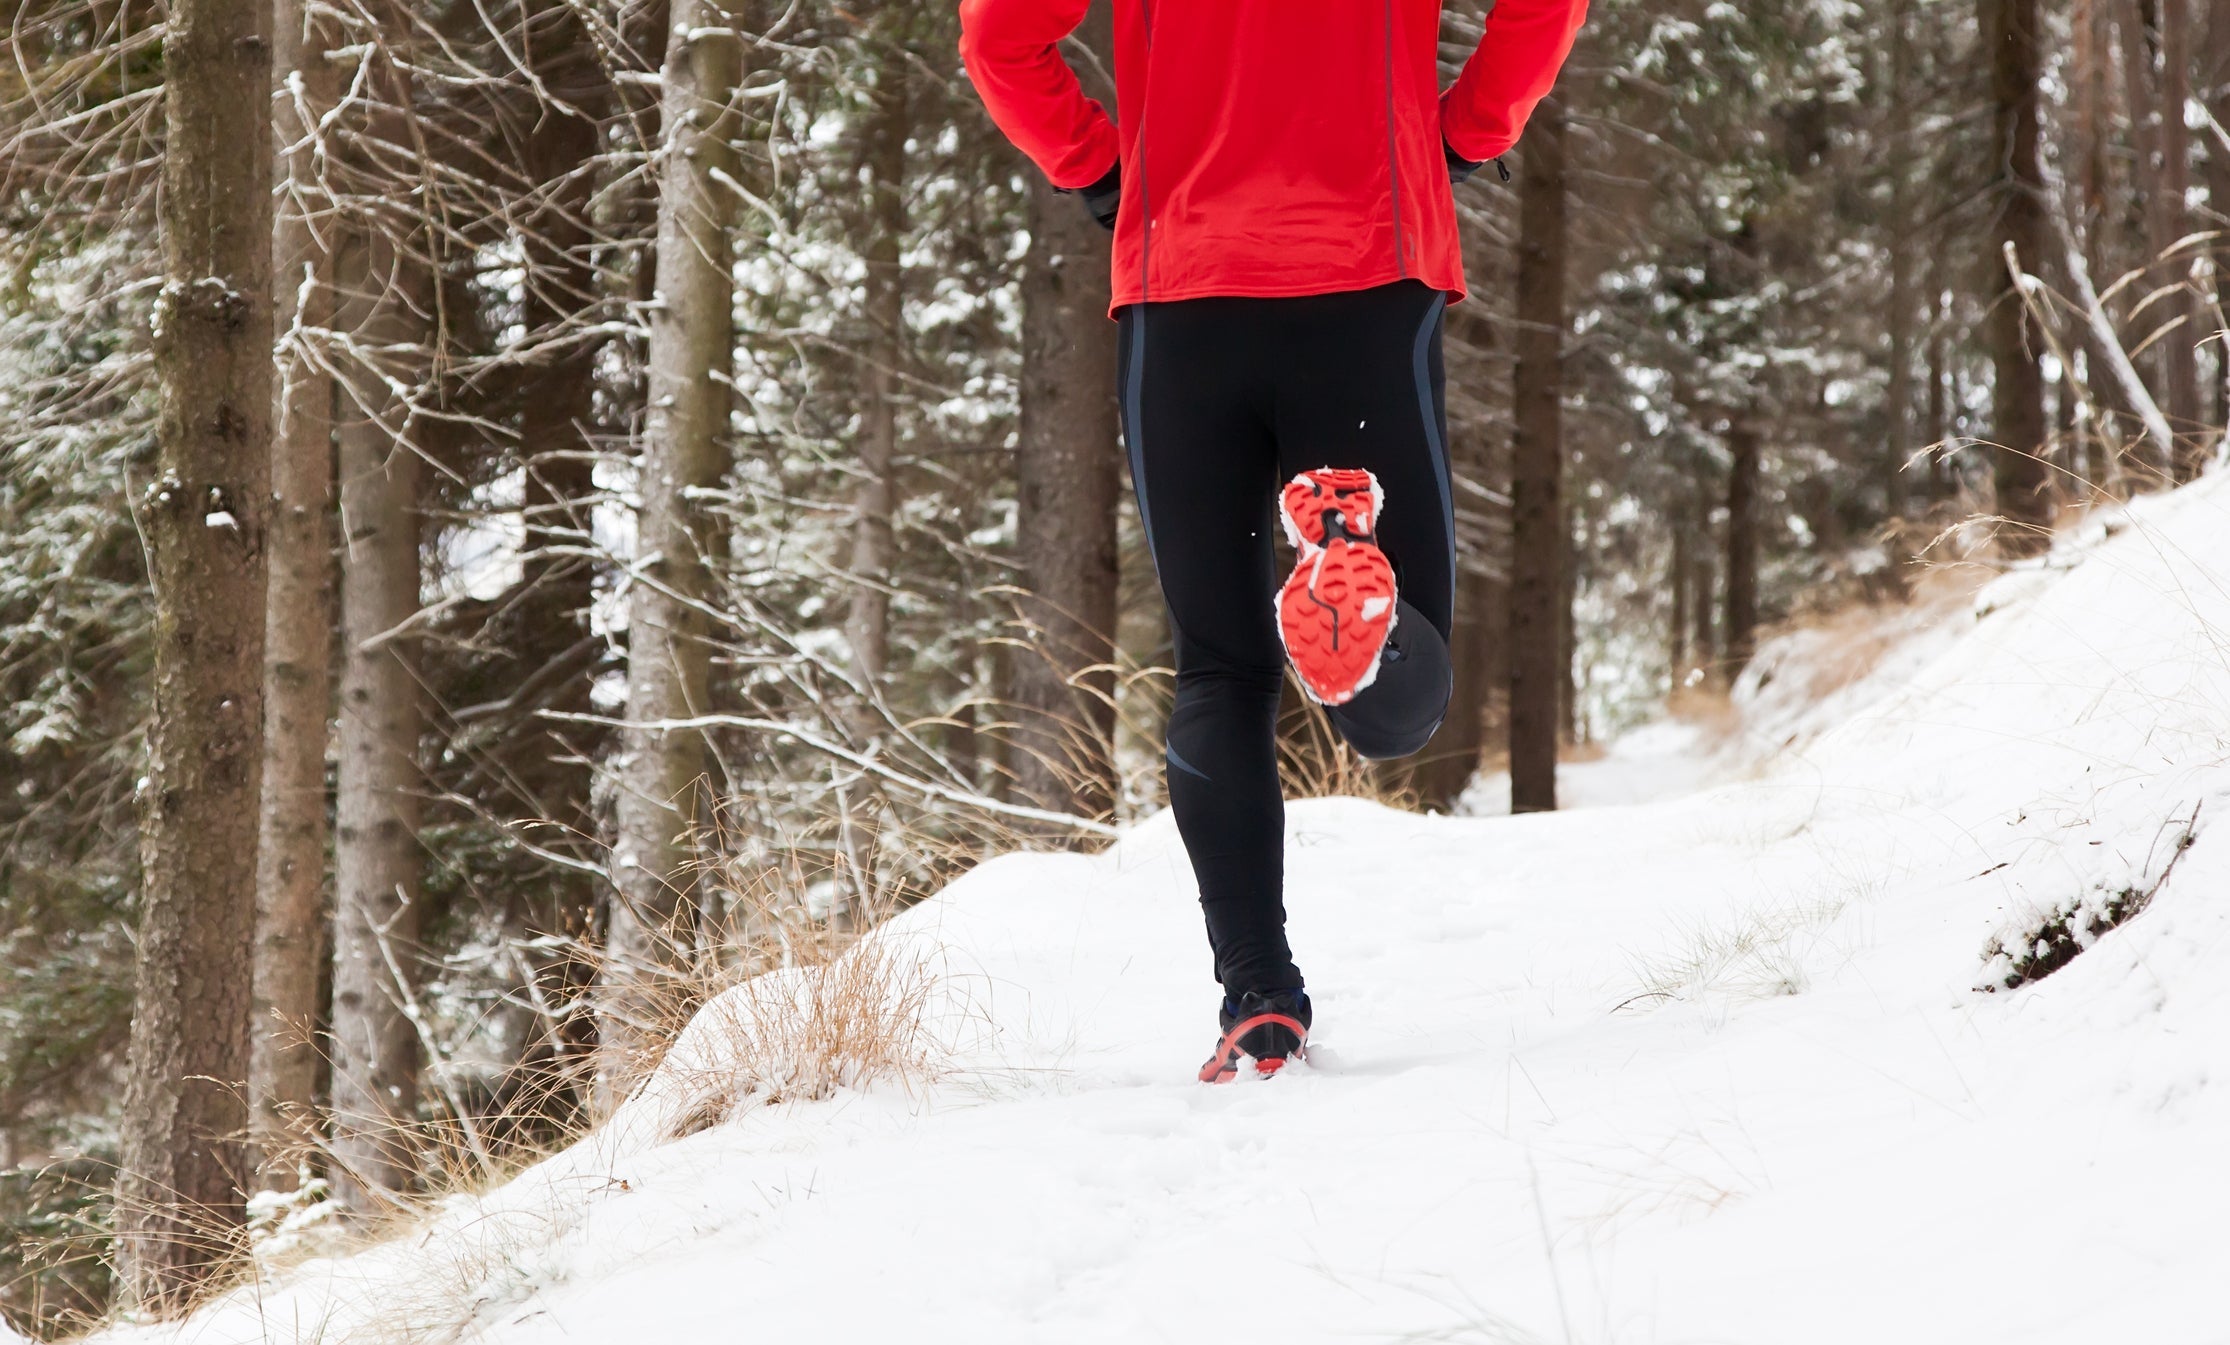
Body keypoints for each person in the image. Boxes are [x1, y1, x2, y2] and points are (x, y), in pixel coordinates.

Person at [958, 0, 1588, 1081]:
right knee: (1399, 706)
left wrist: (1106, 173)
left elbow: (997, 38)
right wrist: (1462, 136)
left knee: (1215, 668)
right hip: (1364, 273)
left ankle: (1257, 994)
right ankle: (1356, 592)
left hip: (1181, 289)